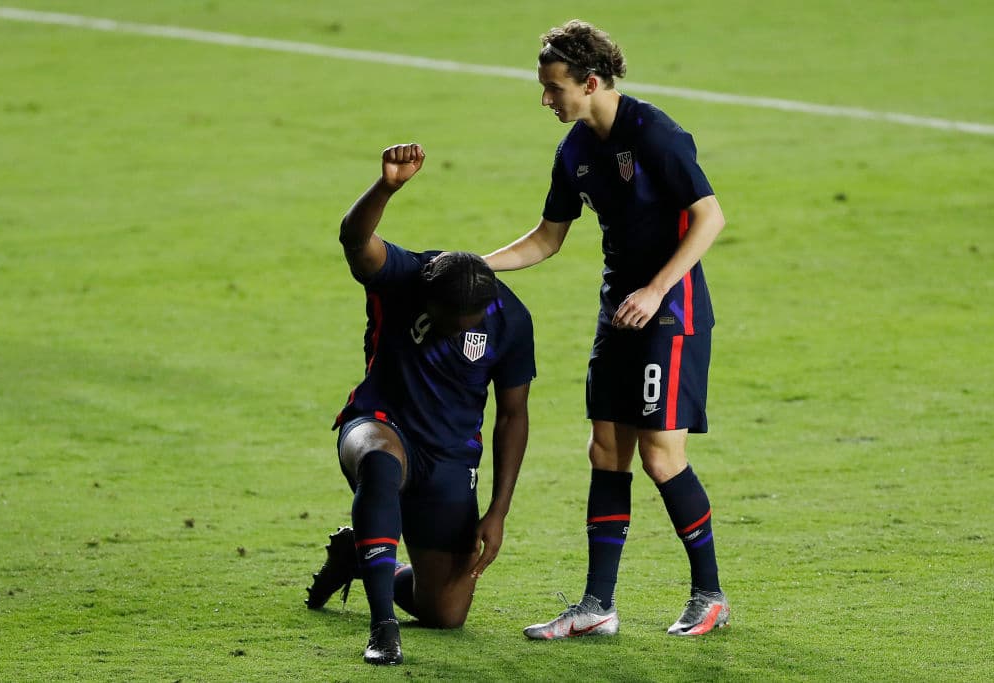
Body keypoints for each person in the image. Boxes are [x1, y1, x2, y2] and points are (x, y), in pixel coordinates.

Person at [483, 20, 729, 639]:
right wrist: (473, 264)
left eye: (552, 88)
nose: (545, 99)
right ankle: (597, 606)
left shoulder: (655, 134)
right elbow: (547, 238)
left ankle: (710, 595)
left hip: (670, 315)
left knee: (661, 456)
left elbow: (709, 217)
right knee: (605, 450)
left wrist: (656, 289)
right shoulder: (575, 152)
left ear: (589, 82)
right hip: (618, 313)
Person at [305, 143, 536, 665]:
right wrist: (387, 186)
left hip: (451, 458)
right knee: (380, 463)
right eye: (452, 321)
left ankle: (360, 558)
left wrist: (499, 510)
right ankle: (383, 627)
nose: (462, 330)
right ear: (428, 301)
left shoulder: (511, 320)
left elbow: (514, 415)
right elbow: (354, 239)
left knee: (446, 612)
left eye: (470, 322)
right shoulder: (404, 276)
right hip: (381, 423)